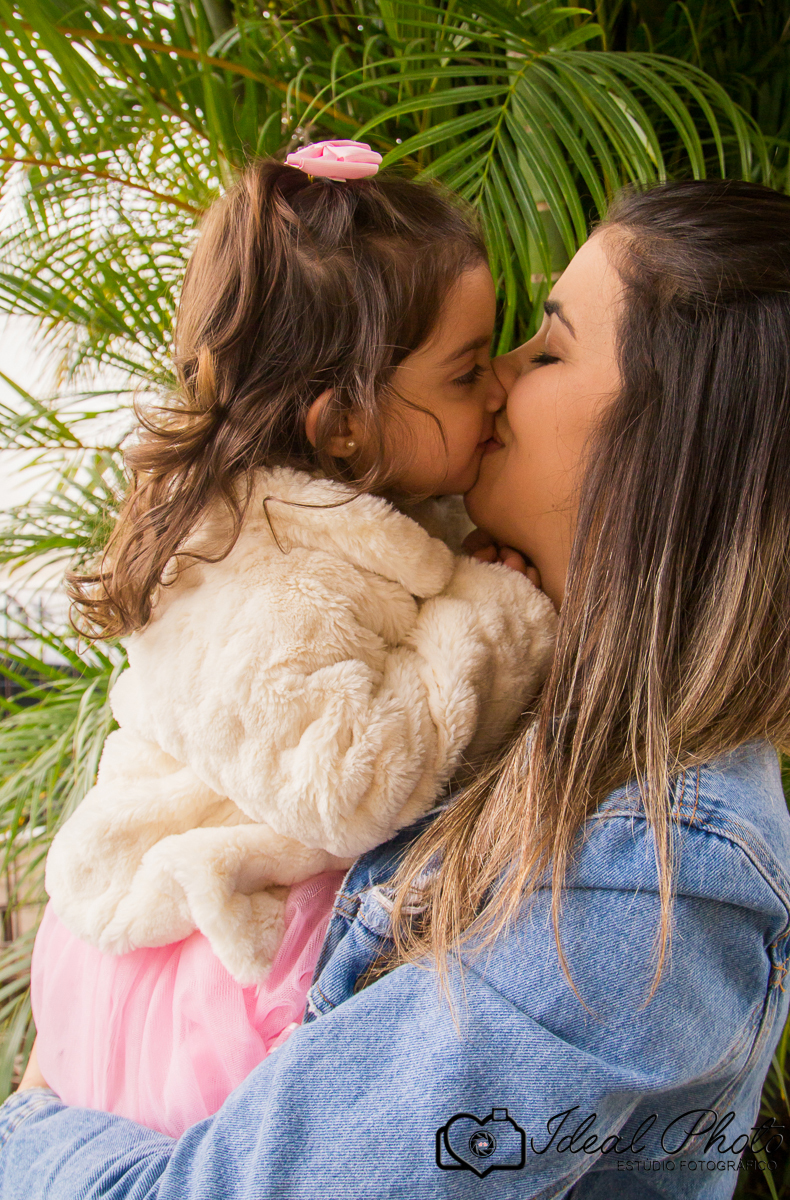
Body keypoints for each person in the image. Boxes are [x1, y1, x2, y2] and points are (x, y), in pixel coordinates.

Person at [3, 177, 790, 1200]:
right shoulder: (469, 654)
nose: (498, 380)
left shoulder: (651, 882)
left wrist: (30, 1122)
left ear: (674, 453)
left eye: (546, 349)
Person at [26, 142, 557, 1137]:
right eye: (464, 370)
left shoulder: (346, 507)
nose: (494, 391)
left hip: (236, 918)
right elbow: (348, 781)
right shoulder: (256, 573)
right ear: (343, 426)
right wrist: (495, 614)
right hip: (208, 974)